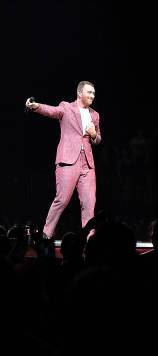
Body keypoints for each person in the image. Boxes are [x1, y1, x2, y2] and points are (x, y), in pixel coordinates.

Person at [25, 81, 102, 239]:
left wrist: (94, 135)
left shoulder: (95, 114)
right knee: (62, 199)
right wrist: (36, 106)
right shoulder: (67, 107)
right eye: (89, 92)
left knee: (89, 203)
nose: (92, 96)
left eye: (94, 93)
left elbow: (98, 139)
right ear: (80, 93)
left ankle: (90, 239)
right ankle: (46, 235)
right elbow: (53, 111)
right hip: (68, 160)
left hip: (87, 163)